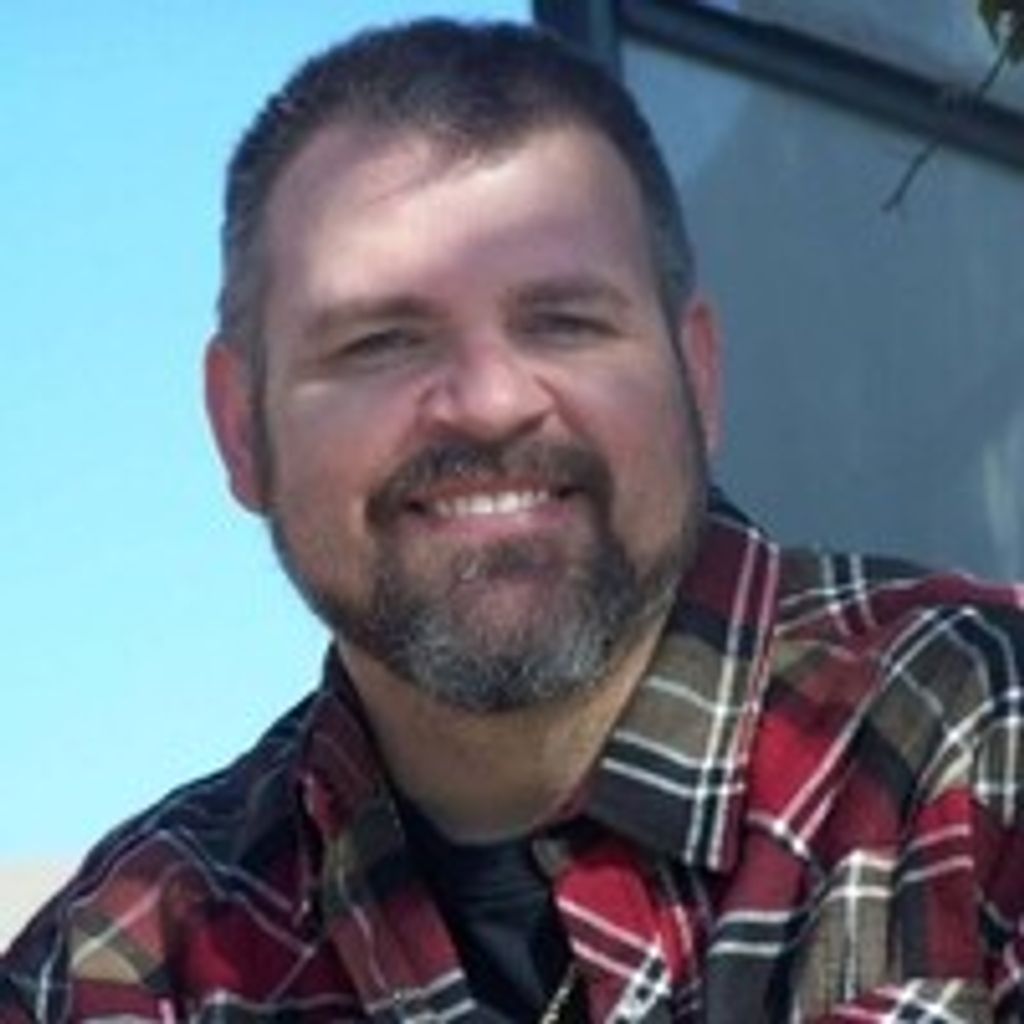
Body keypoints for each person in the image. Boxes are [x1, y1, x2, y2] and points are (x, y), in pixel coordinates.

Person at [2, 17, 1023, 1023]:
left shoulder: (986, 737)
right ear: (240, 431)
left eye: (565, 323)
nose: (489, 402)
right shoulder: (119, 968)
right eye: (379, 341)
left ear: (698, 378)